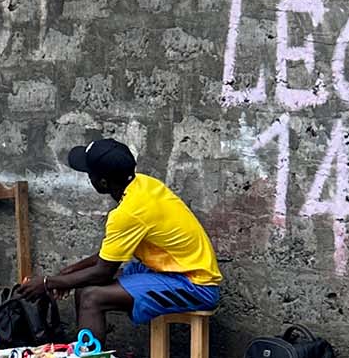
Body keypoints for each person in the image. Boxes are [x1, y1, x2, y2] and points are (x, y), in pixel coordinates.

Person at [25, 136, 221, 346]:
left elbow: (103, 272)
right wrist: (67, 274)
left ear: (102, 182)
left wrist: (47, 283)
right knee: (83, 288)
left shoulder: (128, 212)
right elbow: (108, 256)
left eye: (90, 174)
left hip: (195, 286)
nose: (88, 178)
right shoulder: (143, 184)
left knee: (92, 297)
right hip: (170, 272)